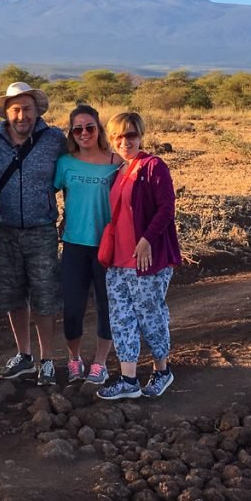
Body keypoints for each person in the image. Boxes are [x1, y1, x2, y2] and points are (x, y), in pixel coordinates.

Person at [0, 82, 68, 387]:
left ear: (37, 110)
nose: (22, 115)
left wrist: (70, 215)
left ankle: (48, 359)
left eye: (27, 108)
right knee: (12, 295)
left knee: (45, 296)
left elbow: (71, 171)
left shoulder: (54, 139)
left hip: (42, 229)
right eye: (16, 109)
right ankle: (24, 355)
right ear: (6, 112)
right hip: (6, 230)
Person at [95, 112, 181, 401]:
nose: (124, 141)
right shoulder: (119, 171)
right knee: (121, 319)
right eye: (118, 136)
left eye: (130, 135)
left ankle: (162, 371)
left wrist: (146, 241)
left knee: (150, 315)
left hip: (146, 260)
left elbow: (166, 209)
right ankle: (129, 379)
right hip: (118, 261)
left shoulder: (153, 166)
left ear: (141, 135)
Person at [53, 105, 121, 385]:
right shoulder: (65, 163)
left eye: (89, 128)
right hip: (73, 246)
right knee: (72, 307)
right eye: (77, 129)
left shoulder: (116, 161)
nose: (84, 133)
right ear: (71, 133)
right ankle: (74, 359)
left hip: (108, 246)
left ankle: (100, 363)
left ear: (99, 129)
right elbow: (50, 192)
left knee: (107, 306)